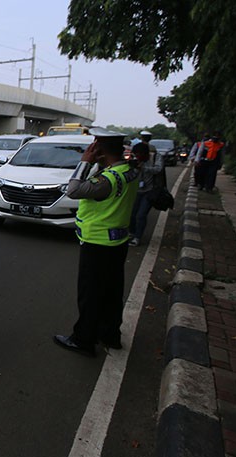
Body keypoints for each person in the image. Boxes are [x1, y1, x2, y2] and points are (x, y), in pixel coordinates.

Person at [53, 128, 139, 357]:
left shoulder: (107, 180)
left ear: (99, 150)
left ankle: (83, 339)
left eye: (94, 145)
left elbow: (73, 190)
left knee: (90, 294)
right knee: (112, 291)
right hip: (118, 241)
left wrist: (85, 162)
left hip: (97, 243)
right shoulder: (128, 171)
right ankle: (110, 335)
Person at [128, 140, 163, 247]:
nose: (137, 157)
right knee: (132, 214)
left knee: (141, 215)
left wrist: (143, 168)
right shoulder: (134, 160)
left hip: (150, 190)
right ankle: (132, 233)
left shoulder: (155, 157)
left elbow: (158, 169)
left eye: (139, 155)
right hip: (136, 190)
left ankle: (137, 237)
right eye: (135, 155)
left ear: (145, 154)